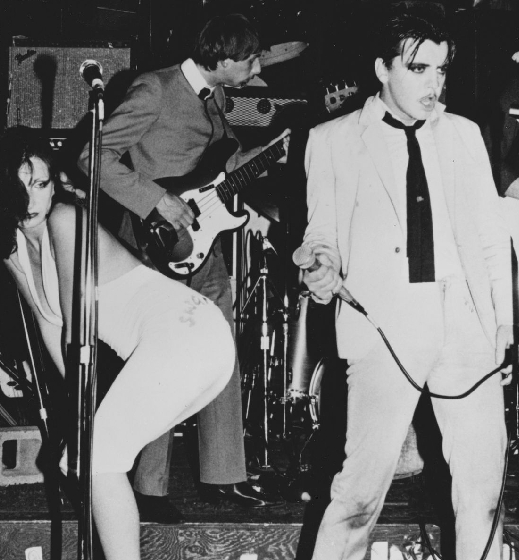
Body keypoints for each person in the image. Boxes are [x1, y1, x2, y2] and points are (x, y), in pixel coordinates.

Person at [297, 7, 514, 560]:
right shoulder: (332, 139)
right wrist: (320, 267)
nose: (433, 85)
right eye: (419, 69)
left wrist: (505, 324)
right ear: (381, 67)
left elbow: (492, 242)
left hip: (467, 330)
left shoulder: (465, 135)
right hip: (384, 329)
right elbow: (321, 235)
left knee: (484, 499)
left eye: (441, 71)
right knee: (357, 499)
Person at [0, 127, 235, 560]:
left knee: (95, 458)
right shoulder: (11, 248)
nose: (33, 201)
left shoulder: (66, 220)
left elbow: (76, 327)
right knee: (87, 460)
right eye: (20, 186)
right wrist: (77, 406)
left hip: (188, 331)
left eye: (42, 184)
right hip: (181, 348)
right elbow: (50, 325)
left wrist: (79, 416)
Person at [78, 13, 290, 518]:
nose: (258, 66)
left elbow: (218, 165)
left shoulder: (215, 98)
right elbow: (91, 156)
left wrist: (265, 156)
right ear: (221, 58)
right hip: (153, 239)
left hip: (201, 239)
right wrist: (153, 200)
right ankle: (148, 488)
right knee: (164, 352)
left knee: (219, 341)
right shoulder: (155, 89)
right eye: (250, 58)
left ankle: (222, 475)